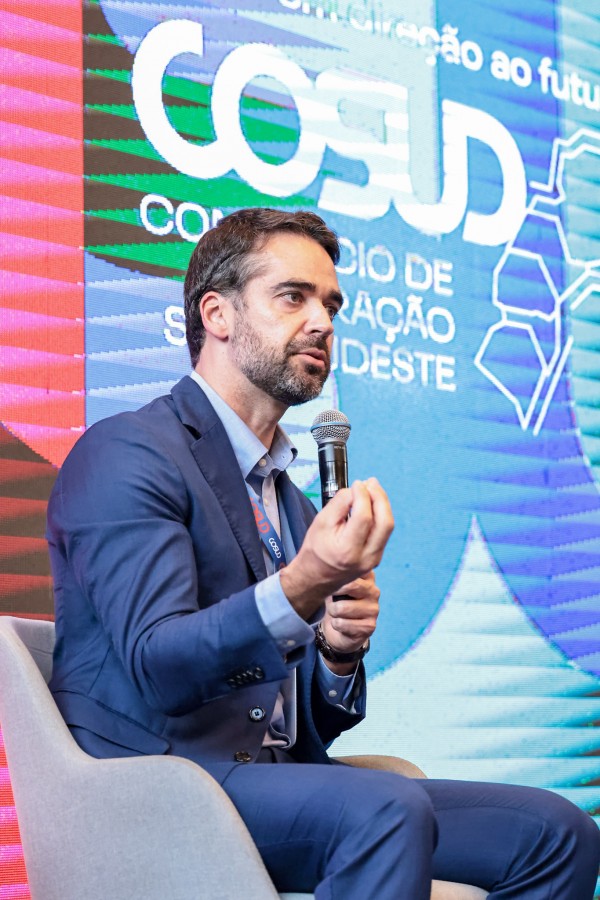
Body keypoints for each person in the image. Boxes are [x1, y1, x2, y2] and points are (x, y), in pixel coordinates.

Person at [47, 208, 600, 898]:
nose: (322, 322)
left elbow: (301, 729)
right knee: (387, 809)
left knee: (558, 832)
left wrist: (337, 655)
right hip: (160, 784)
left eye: (331, 305)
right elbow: (159, 667)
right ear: (217, 314)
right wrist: (302, 586)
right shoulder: (128, 452)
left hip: (270, 782)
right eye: (293, 297)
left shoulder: (291, 502)